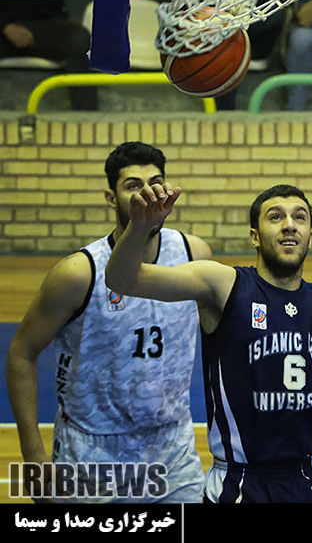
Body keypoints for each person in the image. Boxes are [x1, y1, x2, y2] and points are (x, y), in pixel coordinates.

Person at [105, 182, 312, 503]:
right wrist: (140, 228)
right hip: (238, 483)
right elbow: (122, 279)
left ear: (309, 237)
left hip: (308, 479)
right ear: (254, 236)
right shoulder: (222, 285)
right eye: (275, 217)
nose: (289, 224)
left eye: (300, 218)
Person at [5, 142, 210, 503]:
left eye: (156, 182)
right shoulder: (77, 273)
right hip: (91, 454)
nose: (148, 193)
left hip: (172, 449)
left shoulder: (194, 254)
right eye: (133, 185)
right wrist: (33, 455)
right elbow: (22, 353)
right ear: (111, 198)